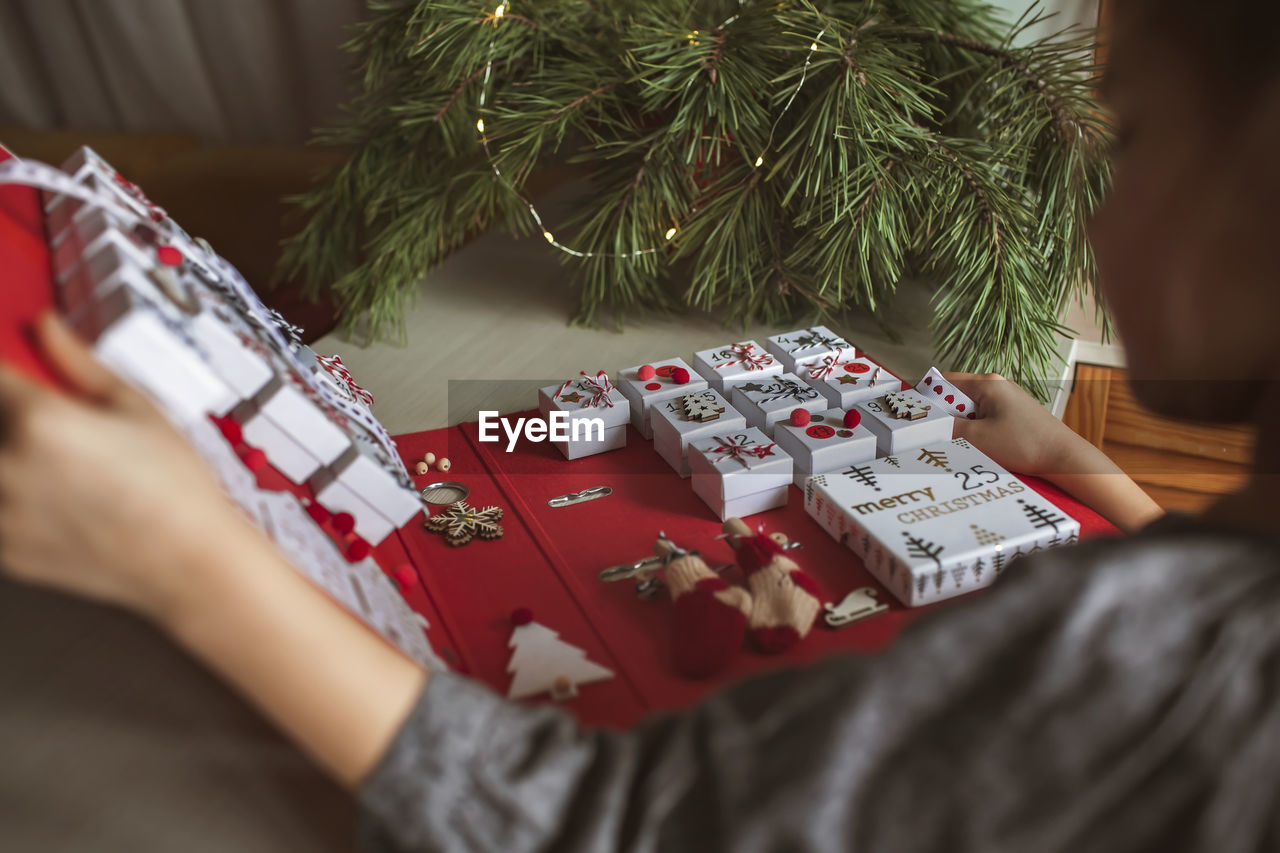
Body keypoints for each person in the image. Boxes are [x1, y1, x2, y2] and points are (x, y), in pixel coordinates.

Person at [2, 0, 1278, 849]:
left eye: (1135, 135)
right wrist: (1094, 477)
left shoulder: (1171, 669)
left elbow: (593, 824)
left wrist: (185, 561)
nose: (1093, 211)